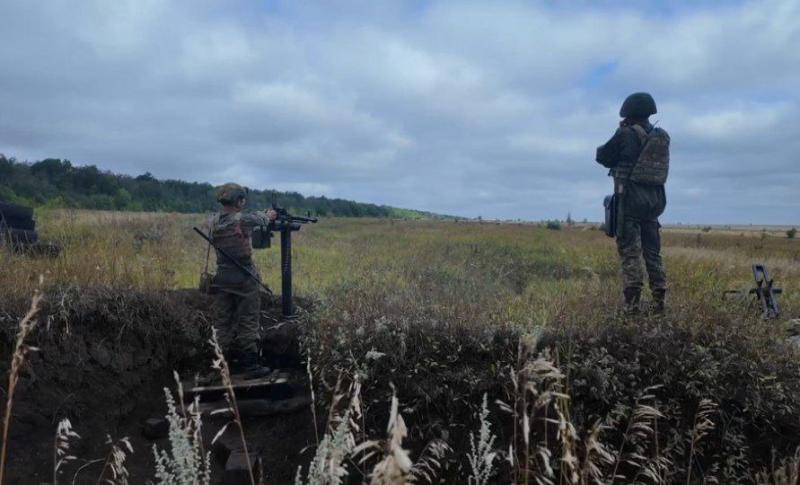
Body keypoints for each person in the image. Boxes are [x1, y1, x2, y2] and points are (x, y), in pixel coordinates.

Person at [596, 92, 670, 314]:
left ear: (628, 113)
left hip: (629, 203)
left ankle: (632, 308)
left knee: (630, 254)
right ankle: (659, 304)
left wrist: (620, 131)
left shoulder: (626, 134)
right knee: (653, 255)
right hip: (654, 204)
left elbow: (603, 156)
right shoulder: (661, 137)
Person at [208, 183, 277, 377]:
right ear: (238, 201)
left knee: (222, 323)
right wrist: (270, 214)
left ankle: (219, 366)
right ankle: (250, 365)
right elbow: (261, 218)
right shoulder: (242, 219)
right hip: (243, 276)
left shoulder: (213, 220)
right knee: (248, 320)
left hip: (222, 276)